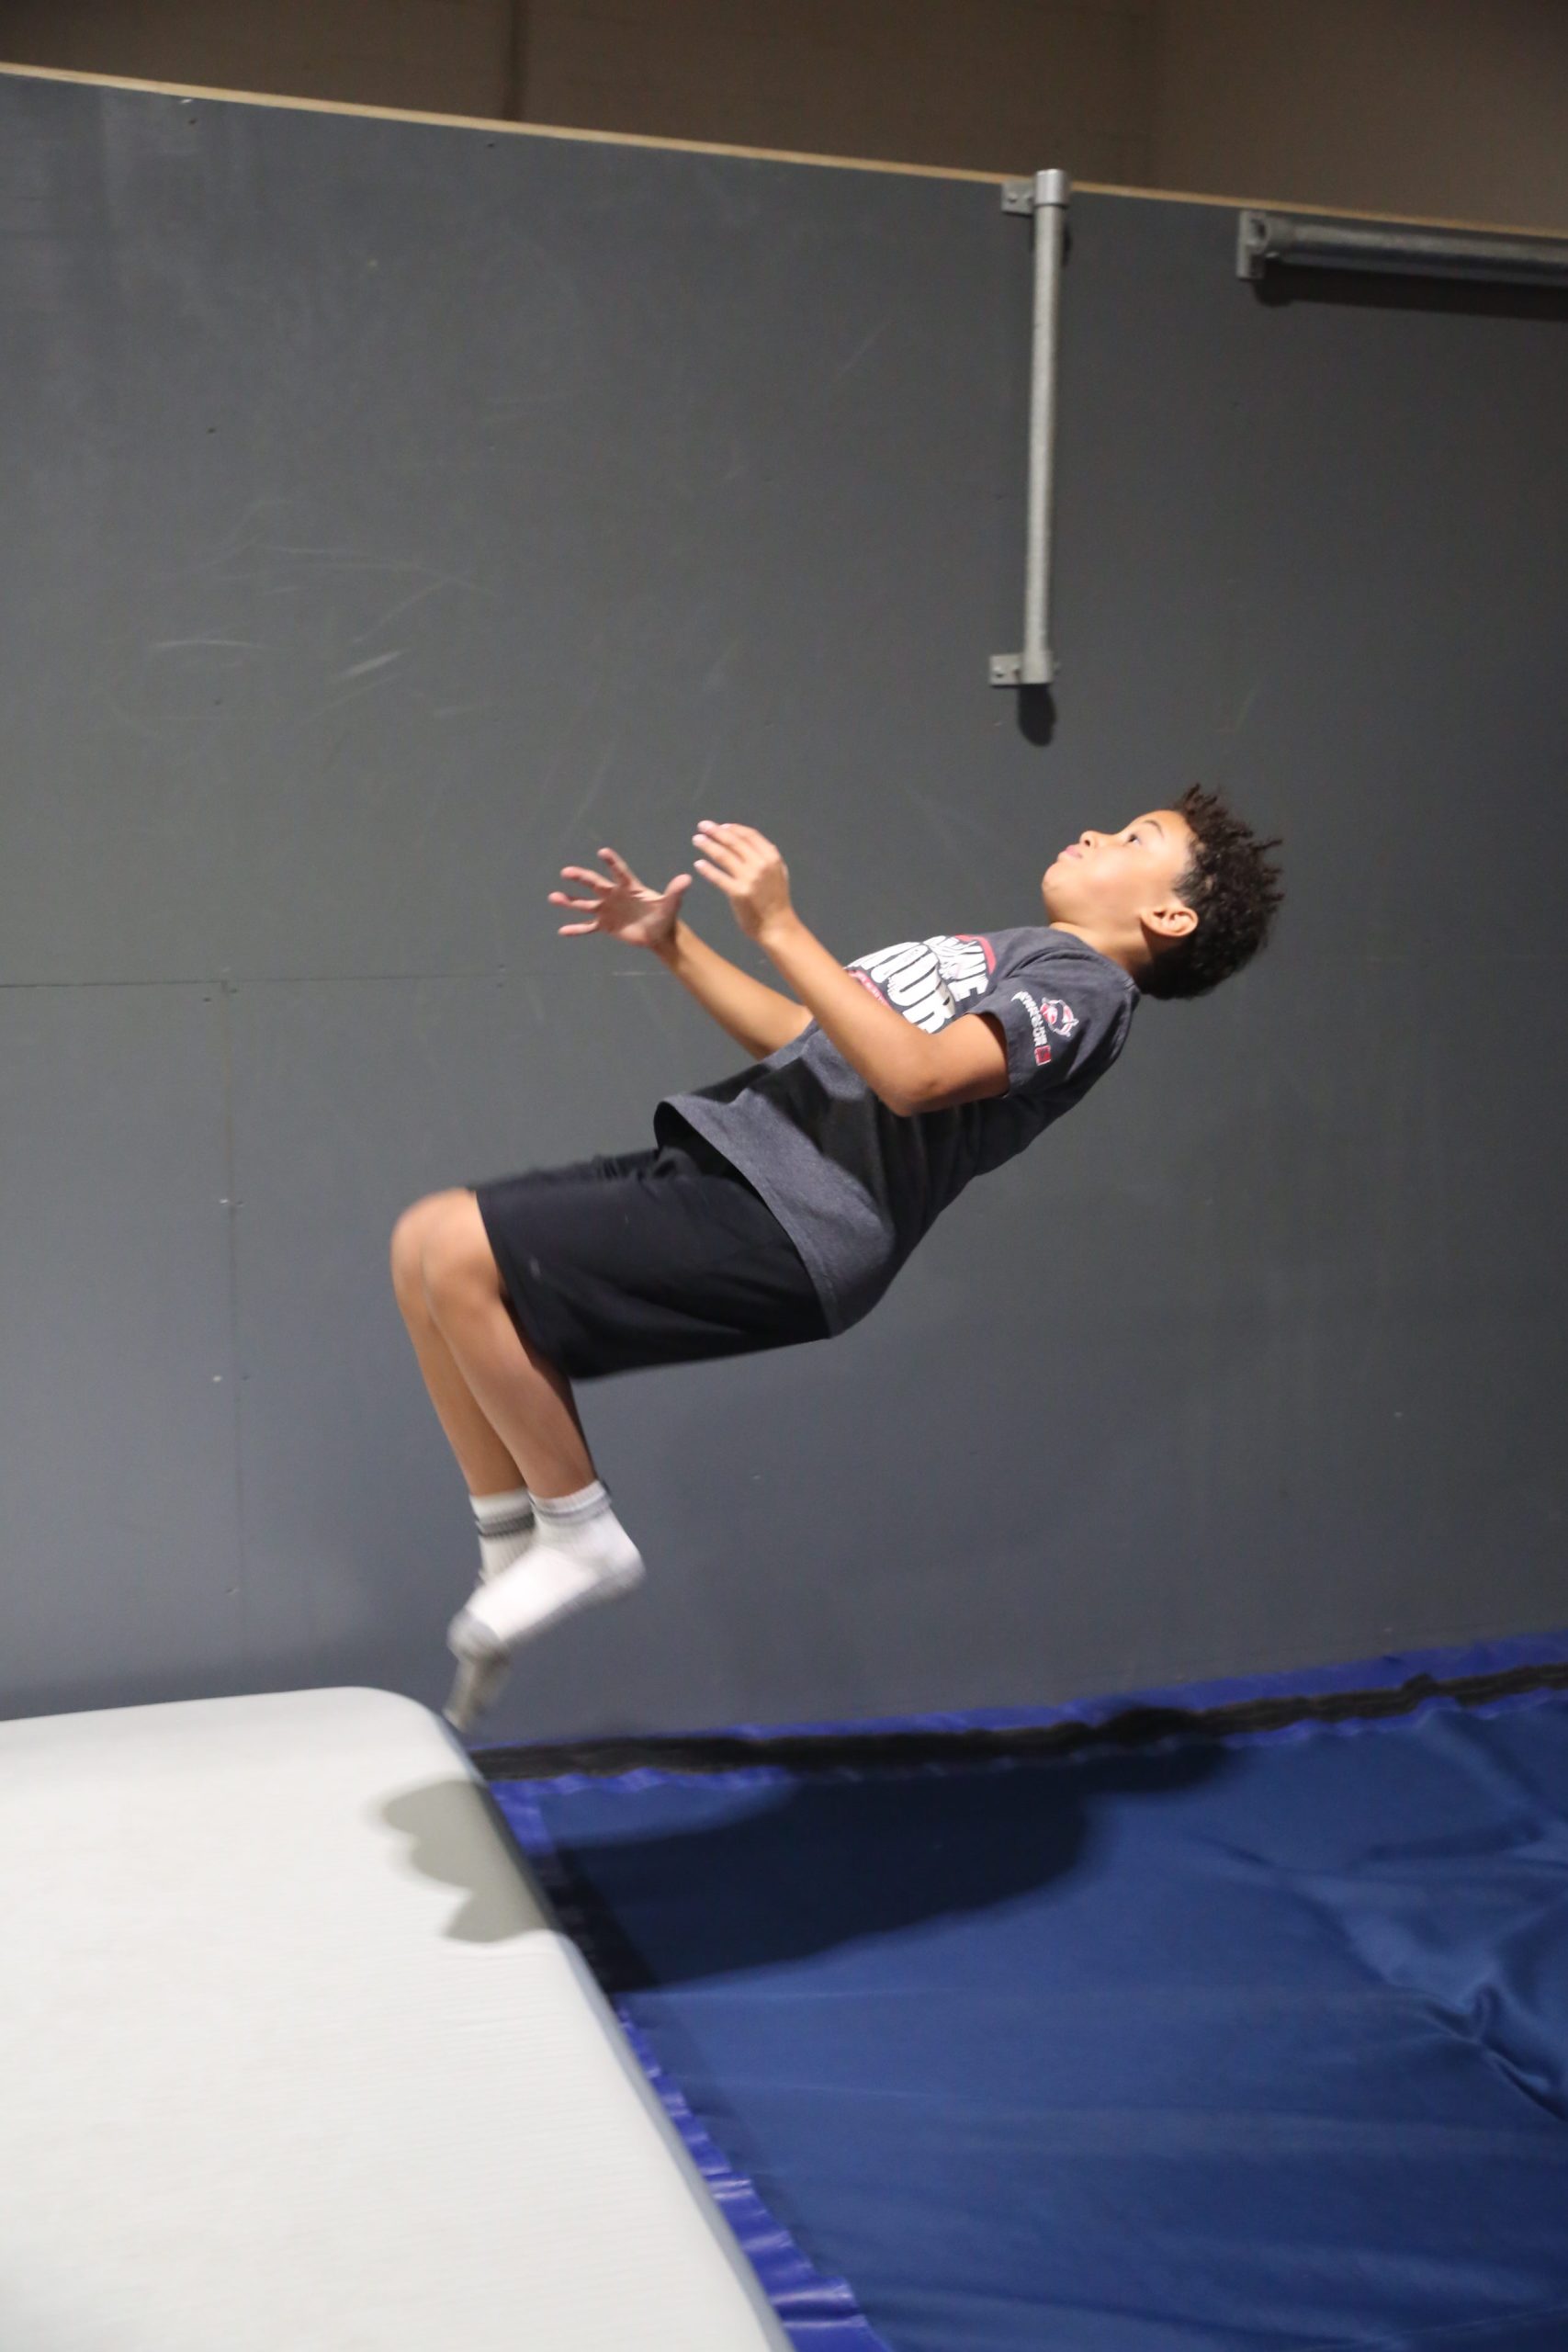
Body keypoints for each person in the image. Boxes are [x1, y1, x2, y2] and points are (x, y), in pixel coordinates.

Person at [389, 786, 1284, 1728]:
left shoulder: (1086, 990)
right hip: (739, 1165)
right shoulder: (1022, 954)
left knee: (459, 1252)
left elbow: (915, 1077)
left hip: (794, 1218)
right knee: (424, 1245)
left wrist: (779, 924)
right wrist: (672, 943)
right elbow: (816, 1045)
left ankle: (580, 1535)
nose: (1099, 831)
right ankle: (510, 1546)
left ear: (1168, 916)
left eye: (1137, 838)